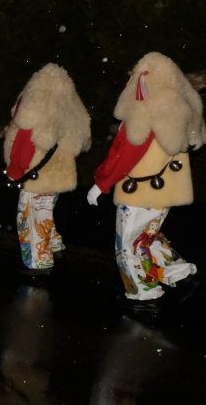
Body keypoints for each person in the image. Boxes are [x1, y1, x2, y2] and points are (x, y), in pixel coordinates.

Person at [87, 52, 203, 311]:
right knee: (147, 237)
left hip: (139, 191)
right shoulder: (180, 108)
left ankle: (143, 295)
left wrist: (101, 183)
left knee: (127, 244)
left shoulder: (143, 109)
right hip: (164, 192)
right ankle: (179, 273)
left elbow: (124, 155)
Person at [3, 63, 91, 274]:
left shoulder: (36, 104)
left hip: (36, 176)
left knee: (29, 220)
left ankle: (39, 262)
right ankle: (54, 244)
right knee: (44, 212)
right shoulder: (71, 105)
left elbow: (24, 144)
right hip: (59, 175)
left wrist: (16, 172)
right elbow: (84, 140)